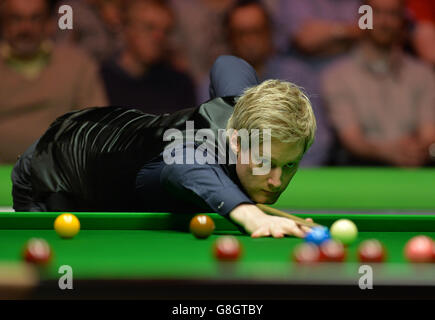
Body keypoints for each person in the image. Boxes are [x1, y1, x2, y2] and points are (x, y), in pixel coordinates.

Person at [11, 55, 316, 238]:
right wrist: (253, 215)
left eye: (289, 165)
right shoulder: (190, 153)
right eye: (266, 162)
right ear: (236, 140)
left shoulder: (241, 108)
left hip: (116, 130)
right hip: (55, 166)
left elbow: (228, 63)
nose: (276, 181)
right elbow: (182, 166)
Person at [197, 0, 332, 166]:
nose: (250, 40)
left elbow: (318, 141)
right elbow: (211, 146)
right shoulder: (212, 84)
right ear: (229, 38)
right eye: (241, 33)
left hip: (297, 179)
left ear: (270, 33)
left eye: (257, 31)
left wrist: (283, 174)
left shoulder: (298, 76)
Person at [322, 0, 435, 166]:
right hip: (361, 174)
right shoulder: (336, 76)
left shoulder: (423, 75)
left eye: (393, 14)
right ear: (362, 18)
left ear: (403, 21)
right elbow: (352, 140)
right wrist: (390, 152)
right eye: (376, 12)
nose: (384, 21)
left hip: (415, 170)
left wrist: (416, 150)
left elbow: (429, 134)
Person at [0, 0, 107, 164]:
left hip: (61, 176)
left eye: (35, 18)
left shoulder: (77, 65)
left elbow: (97, 128)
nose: (25, 28)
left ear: (49, 24)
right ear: (4, 24)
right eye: (16, 18)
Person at [100, 0, 196, 114]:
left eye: (166, 31)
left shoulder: (179, 85)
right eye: (149, 28)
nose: (158, 37)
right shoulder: (101, 80)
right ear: (127, 28)